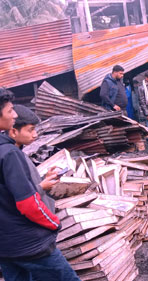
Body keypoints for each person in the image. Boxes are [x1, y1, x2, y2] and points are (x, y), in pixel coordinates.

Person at [0, 89, 80, 281]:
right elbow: (27, 203)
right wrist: (53, 224)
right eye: (10, 110)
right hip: (28, 243)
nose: (15, 114)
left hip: (5, 245)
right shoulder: (9, 153)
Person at [9, 105, 57, 213]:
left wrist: (45, 178)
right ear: (14, 132)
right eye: (30, 130)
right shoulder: (11, 158)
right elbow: (17, 197)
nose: (35, 135)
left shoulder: (20, 152)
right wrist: (41, 187)